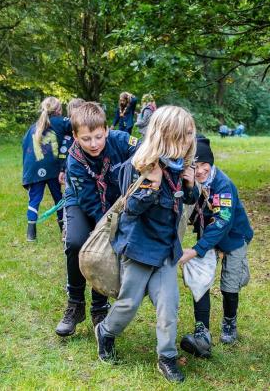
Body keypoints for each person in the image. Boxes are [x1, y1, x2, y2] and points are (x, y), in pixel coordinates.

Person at [95, 105, 199, 383]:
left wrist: (190, 186)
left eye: (190, 134)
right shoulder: (139, 165)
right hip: (139, 248)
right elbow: (131, 211)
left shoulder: (179, 165)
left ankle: (167, 357)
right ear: (165, 135)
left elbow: (187, 202)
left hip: (166, 250)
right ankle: (105, 332)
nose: (189, 140)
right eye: (183, 135)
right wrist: (151, 187)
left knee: (169, 307)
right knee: (128, 304)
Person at [54, 102, 138, 337]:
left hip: (114, 199)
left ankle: (99, 307)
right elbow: (89, 202)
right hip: (81, 200)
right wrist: (106, 227)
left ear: (107, 130)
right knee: (77, 242)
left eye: (98, 137)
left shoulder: (121, 140)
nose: (93, 144)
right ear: (75, 136)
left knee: (105, 247)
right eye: (86, 138)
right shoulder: (74, 161)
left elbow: (144, 152)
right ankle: (75, 304)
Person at [178, 137, 254, 358]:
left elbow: (222, 223)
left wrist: (196, 249)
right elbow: (189, 200)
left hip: (233, 237)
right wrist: (191, 184)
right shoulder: (193, 178)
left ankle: (229, 321)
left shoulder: (223, 185)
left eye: (204, 166)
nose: (200, 170)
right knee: (198, 276)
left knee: (230, 284)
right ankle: (202, 330)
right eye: (195, 165)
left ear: (211, 164)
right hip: (208, 235)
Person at [21, 96, 72, 242]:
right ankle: (64, 230)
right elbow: (77, 126)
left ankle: (31, 234)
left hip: (34, 167)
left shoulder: (33, 127)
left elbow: (24, 146)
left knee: (34, 199)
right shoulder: (61, 121)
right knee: (59, 198)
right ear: (58, 109)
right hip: (52, 168)